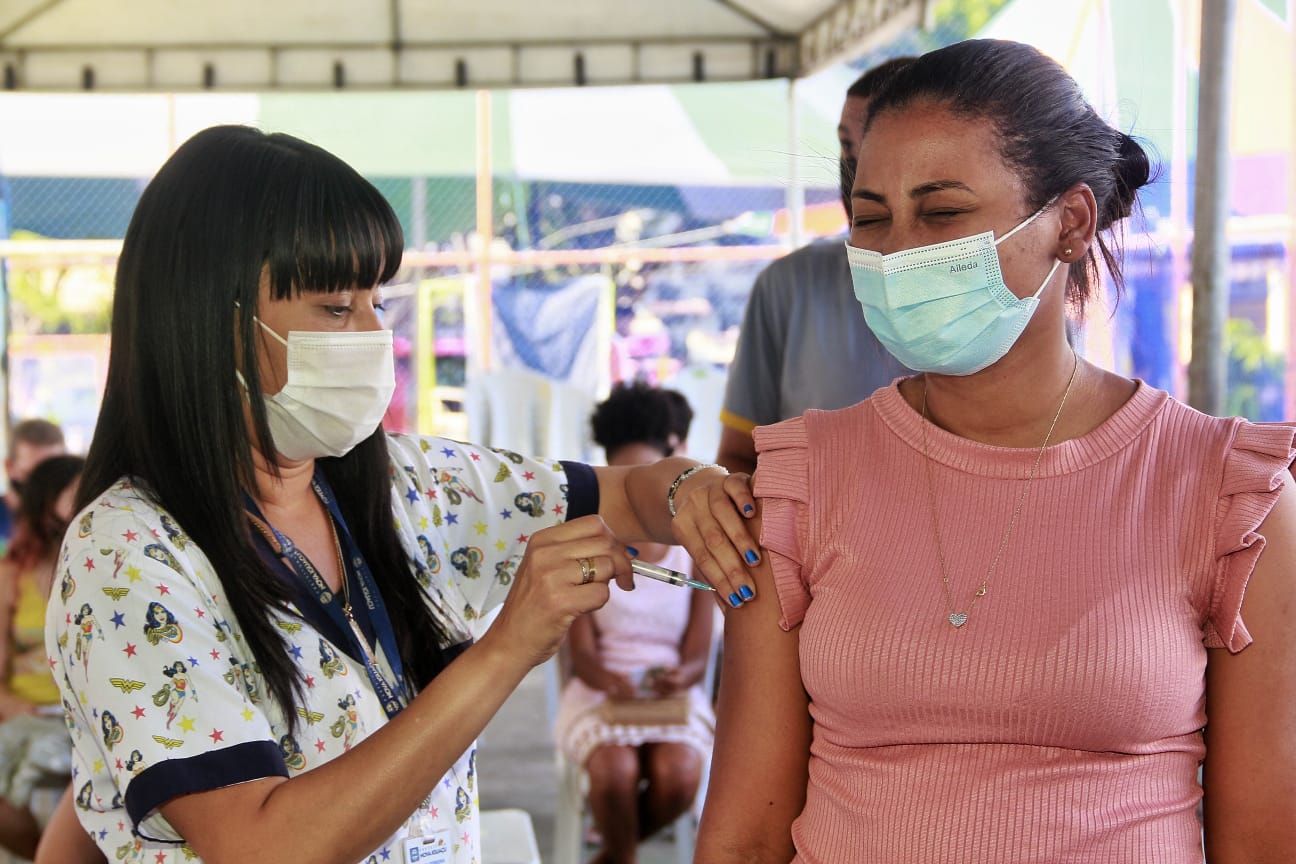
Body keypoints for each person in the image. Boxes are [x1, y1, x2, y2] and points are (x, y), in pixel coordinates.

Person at [43, 125, 756, 864]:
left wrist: (688, 486)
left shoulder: (409, 488)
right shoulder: (127, 553)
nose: (373, 334)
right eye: (334, 308)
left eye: (377, 301)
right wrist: (505, 648)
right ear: (212, 322)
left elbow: (629, 496)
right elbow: (263, 847)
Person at [679, 39, 1296, 863]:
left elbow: (1261, 840)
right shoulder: (798, 483)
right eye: (870, 218)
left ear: (1070, 222)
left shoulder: (1230, 497)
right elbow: (745, 838)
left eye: (941, 214)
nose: (897, 254)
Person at [715, 58, 913, 476]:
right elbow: (738, 460)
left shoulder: (990, 295)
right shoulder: (790, 286)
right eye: (847, 148)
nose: (855, 173)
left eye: (876, 147)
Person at [554, 382, 715, 864]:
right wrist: (610, 682)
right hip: (600, 692)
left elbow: (698, 656)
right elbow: (580, 656)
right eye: (626, 477)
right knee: (613, 772)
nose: (637, 489)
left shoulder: (696, 546)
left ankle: (612, 856)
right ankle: (620, 856)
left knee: (680, 773)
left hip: (672, 695)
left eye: (650, 477)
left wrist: (680, 678)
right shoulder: (584, 535)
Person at [0, 455, 83, 858]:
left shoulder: (101, 566)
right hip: (28, 713)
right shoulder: (12, 574)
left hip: (81, 719)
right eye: (73, 493)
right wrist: (10, 703)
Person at [0, 420, 66, 556]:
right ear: (9, 467)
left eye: (55, 473)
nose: (44, 484)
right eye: (33, 474)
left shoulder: (69, 522)